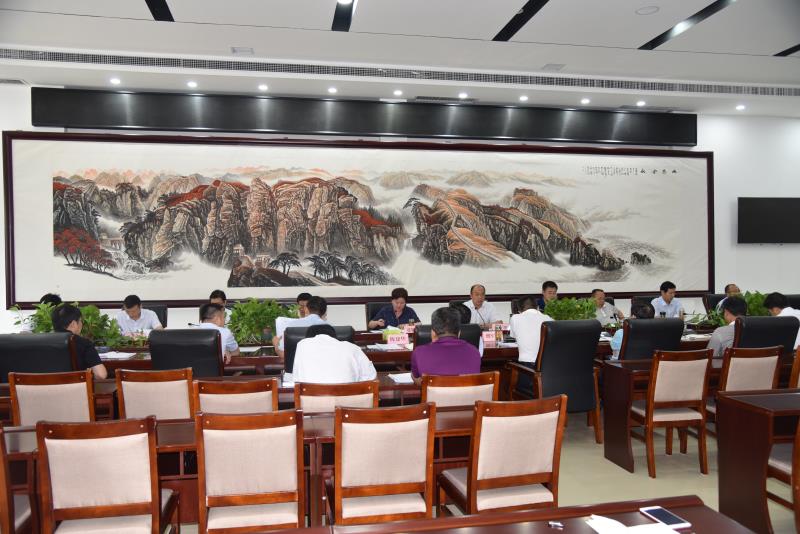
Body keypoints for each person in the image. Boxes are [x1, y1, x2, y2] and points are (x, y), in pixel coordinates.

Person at [411, 307, 481, 383]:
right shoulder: (474, 352)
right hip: (466, 390)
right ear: (459, 333)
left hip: (433, 391)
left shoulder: (419, 352)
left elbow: (417, 379)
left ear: (433, 333)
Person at [292, 324, 377, 383]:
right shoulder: (352, 347)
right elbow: (371, 377)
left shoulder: (302, 345)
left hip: (310, 402)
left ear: (308, 338)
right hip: (350, 401)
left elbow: (297, 379)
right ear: (335, 337)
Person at [51, 304, 108, 379]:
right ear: (73, 324)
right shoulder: (84, 343)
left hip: (44, 386)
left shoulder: (40, 342)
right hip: (74, 386)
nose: (81, 324)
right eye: (80, 321)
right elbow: (101, 375)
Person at [510, 295, 553, 366]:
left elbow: (514, 337)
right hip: (548, 364)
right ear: (538, 307)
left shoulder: (515, 318)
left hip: (527, 365)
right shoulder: (548, 318)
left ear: (519, 311)